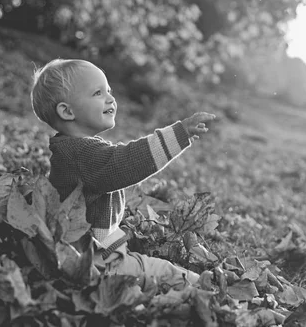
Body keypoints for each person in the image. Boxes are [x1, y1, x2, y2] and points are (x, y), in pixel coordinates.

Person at [30, 58, 216, 290]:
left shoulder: (74, 149)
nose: (110, 98)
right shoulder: (79, 154)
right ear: (67, 111)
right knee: (158, 272)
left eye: (109, 90)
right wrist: (179, 133)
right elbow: (126, 163)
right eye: (98, 93)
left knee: (151, 268)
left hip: (90, 252)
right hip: (95, 262)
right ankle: (205, 290)